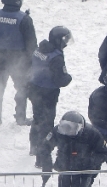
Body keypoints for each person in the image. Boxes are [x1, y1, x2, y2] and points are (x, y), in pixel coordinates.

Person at [0, 0, 36, 128]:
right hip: (18, 60)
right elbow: (31, 44)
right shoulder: (24, 19)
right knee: (22, 89)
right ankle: (20, 118)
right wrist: (31, 63)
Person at [27, 27, 73, 169]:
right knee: (47, 125)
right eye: (64, 39)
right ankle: (41, 158)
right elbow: (61, 80)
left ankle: (33, 147)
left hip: (34, 89)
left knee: (37, 118)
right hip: (48, 94)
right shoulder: (57, 57)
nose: (65, 43)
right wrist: (69, 77)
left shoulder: (39, 49)